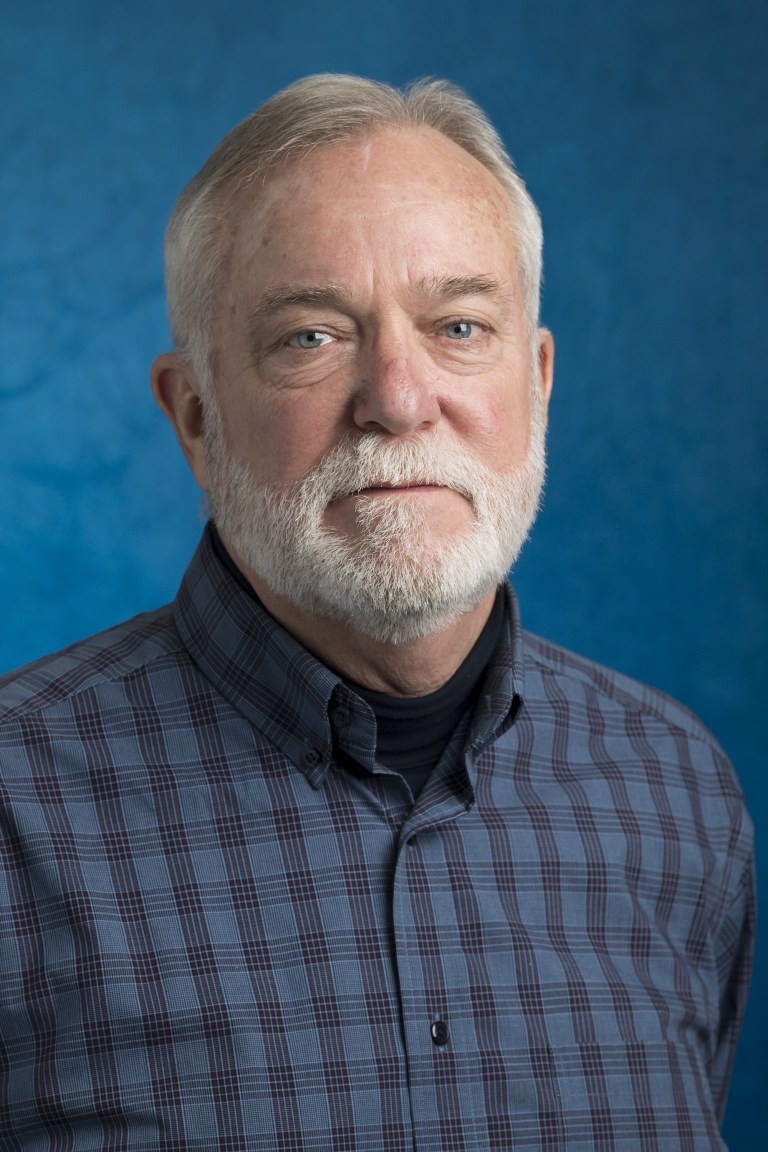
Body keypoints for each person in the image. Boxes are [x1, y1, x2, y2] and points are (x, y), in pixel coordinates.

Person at [0, 75, 753, 1151]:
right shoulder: (12, 815)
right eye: (311, 337)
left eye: (458, 325)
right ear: (197, 416)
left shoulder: (675, 791)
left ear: (537, 384)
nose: (399, 399)